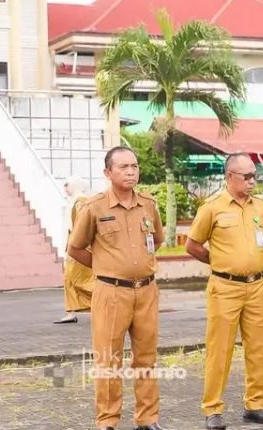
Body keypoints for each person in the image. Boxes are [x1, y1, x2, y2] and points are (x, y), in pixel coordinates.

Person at [67, 146, 166, 430]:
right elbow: (75, 248)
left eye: (134, 166)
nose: (131, 172)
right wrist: (104, 267)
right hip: (111, 293)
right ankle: (108, 421)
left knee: (146, 357)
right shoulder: (94, 207)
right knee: (108, 359)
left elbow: (157, 241)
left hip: (146, 291)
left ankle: (147, 419)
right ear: (108, 172)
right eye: (123, 167)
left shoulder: (148, 204)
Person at [185, 153, 263, 430]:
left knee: (258, 349)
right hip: (225, 287)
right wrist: (220, 262)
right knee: (220, 350)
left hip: (257, 287)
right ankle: (213, 408)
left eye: (254, 176)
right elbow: (192, 245)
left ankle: (255, 406)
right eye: (246, 176)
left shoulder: (260, 207)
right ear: (229, 177)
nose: (252, 181)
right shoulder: (212, 207)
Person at [55, 176, 94, 324]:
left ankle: (103, 302)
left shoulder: (81, 201)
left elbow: (82, 227)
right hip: (73, 246)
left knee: (79, 280)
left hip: (80, 247)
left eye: (67, 185)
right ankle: (71, 311)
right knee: (69, 279)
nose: (65, 188)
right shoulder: (74, 201)